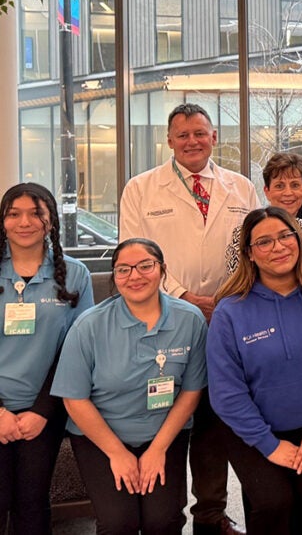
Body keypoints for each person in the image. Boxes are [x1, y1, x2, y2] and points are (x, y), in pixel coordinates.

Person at [119, 102, 257, 535]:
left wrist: (225, 298)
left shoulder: (241, 187)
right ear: (169, 140)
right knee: (171, 412)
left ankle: (211, 514)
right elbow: (134, 254)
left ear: (214, 137)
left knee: (216, 417)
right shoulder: (141, 189)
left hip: (228, 316)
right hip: (165, 316)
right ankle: (166, 512)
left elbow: (256, 247)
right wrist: (183, 296)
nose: (192, 141)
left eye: (200, 133)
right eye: (183, 135)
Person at [207, 207, 302, 535]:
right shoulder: (231, 311)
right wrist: (269, 445)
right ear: (248, 254)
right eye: (263, 242)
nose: (277, 247)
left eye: (284, 236)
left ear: (299, 240)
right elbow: (226, 393)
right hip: (250, 429)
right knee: (273, 503)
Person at [52, 238, 207, 534]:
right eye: (123, 269)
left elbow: (191, 391)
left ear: (163, 271)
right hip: (101, 435)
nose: (134, 276)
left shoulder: (190, 320)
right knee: (118, 523)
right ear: (114, 277)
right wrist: (118, 454)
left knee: (164, 521)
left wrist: (157, 449)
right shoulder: (89, 326)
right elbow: (74, 399)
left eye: (145, 266)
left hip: (163, 433)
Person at [0, 184, 93, 534]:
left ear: (50, 221)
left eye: (36, 213)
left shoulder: (75, 274)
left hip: (45, 409)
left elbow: (75, 350)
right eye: (14, 213)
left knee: (32, 500)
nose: (25, 222)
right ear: (3, 221)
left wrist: (41, 411)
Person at [226, 153, 302, 275]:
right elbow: (237, 285)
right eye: (279, 186)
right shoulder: (243, 235)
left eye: (295, 185)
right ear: (267, 191)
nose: (288, 192)